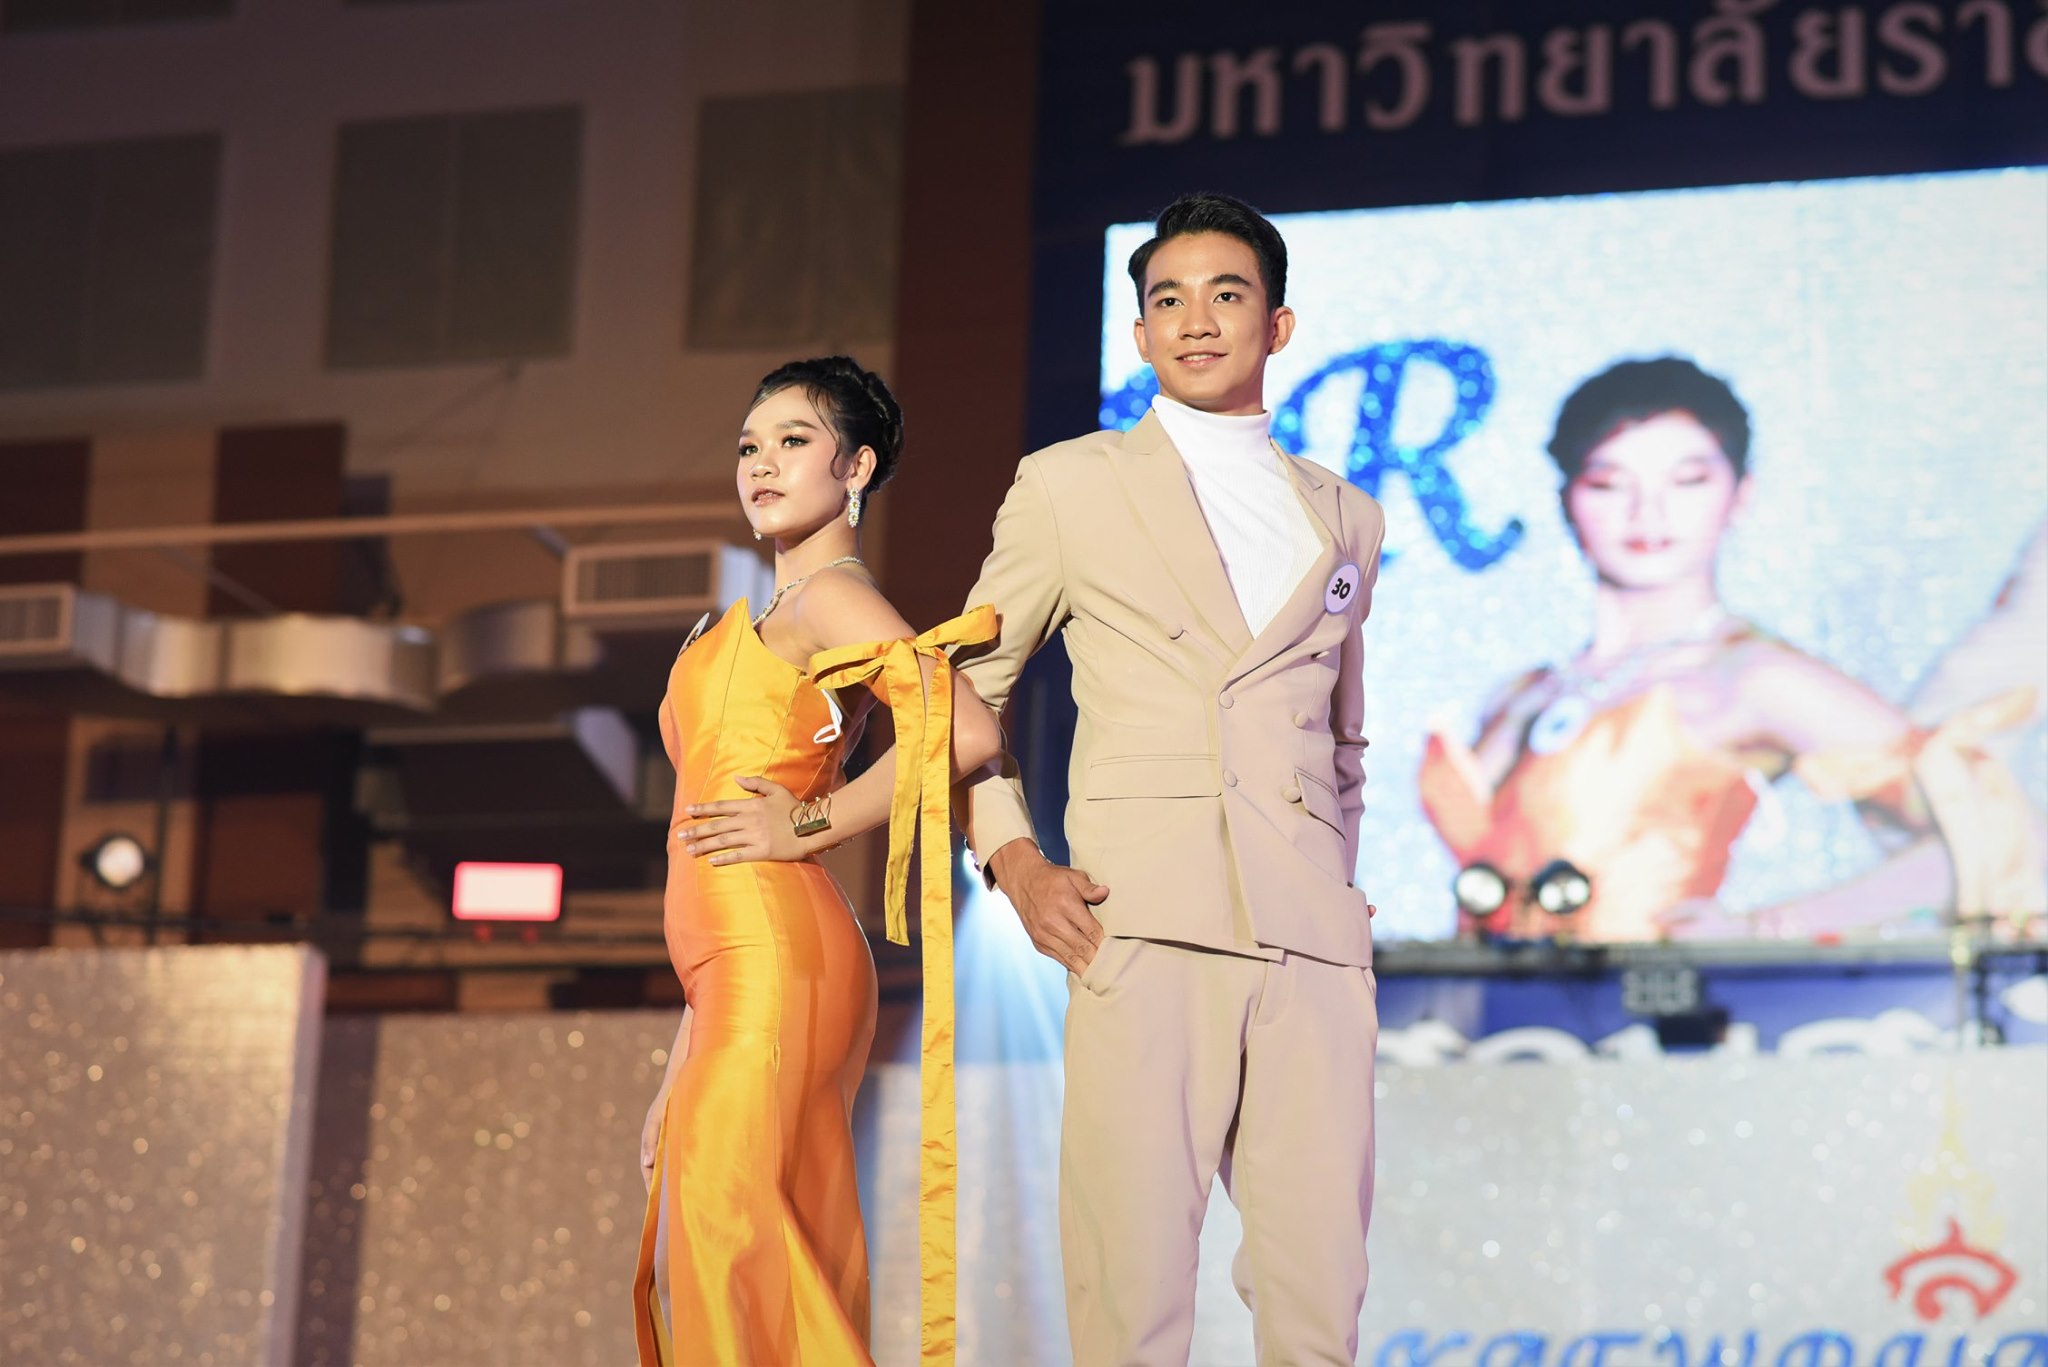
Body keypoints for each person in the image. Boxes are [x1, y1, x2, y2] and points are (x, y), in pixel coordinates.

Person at [952, 194, 1388, 1366]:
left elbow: (1341, 741)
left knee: (1318, 1300)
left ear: (1277, 324)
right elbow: (962, 690)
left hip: (1309, 942)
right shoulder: (1069, 483)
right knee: (1131, 1294)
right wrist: (1014, 857)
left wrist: (1338, 888)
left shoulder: (1347, 515)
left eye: (1225, 294)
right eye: (1166, 299)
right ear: (1139, 331)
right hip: (1141, 920)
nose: (1194, 319)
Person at [631, 356, 1001, 1366]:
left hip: (778, 956)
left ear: (857, 466)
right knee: (727, 1251)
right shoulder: (754, 617)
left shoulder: (830, 600)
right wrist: (679, 1065)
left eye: (793, 440)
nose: (761, 463)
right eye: (748, 445)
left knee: (731, 1242)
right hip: (735, 973)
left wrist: (810, 823)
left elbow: (964, 730)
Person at [1418, 356, 2042, 943]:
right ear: (1567, 500)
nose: (1648, 512)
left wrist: (1770, 929)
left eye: (1688, 480)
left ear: (1740, 495)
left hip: (1638, 1009)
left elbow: (1987, 837)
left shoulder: (1748, 676)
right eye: (1609, 483)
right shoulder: (1524, 692)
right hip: (1477, 1007)